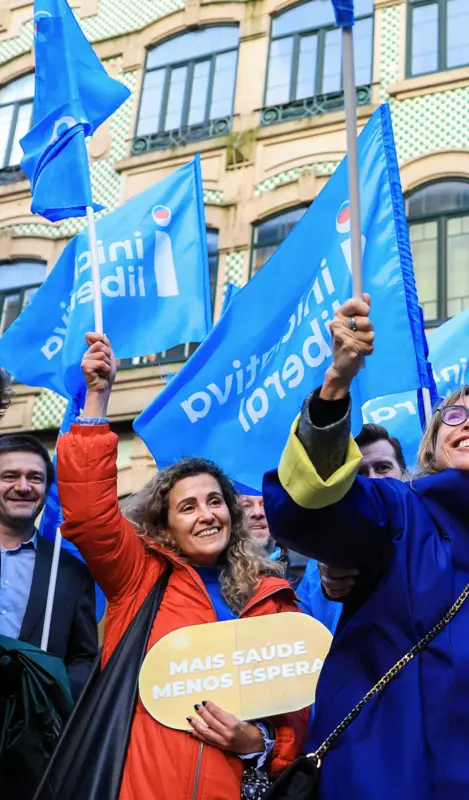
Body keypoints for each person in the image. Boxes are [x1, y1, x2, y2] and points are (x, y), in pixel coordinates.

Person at [263, 296, 469, 799]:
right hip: (380, 778)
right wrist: (336, 386)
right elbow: (312, 512)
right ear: (430, 449)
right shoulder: (395, 510)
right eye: (455, 417)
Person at [54, 332, 308, 799]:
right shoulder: (139, 579)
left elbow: (294, 718)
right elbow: (88, 515)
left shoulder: (271, 597)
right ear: (165, 526)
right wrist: (96, 400)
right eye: (188, 507)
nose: (207, 514)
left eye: (215, 501)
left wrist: (259, 745)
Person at [0, 434, 97, 700]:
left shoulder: (69, 572)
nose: (23, 486)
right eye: (9, 476)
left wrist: (55, 694)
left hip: (31, 732)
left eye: (35, 478)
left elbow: (84, 657)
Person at [293, 423, 408, 634]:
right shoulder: (316, 572)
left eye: (383, 468)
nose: (373, 480)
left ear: (404, 473)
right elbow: (303, 645)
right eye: (360, 473)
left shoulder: (437, 543)